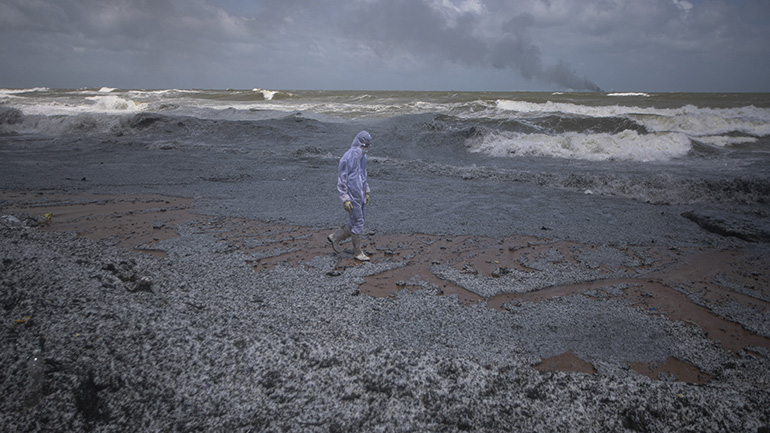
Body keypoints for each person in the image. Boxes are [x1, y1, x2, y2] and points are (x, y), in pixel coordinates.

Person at [328, 130, 372, 261]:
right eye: (364, 146)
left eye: (368, 147)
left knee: (356, 221)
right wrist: (345, 198)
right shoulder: (347, 158)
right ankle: (357, 252)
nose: (365, 149)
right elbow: (342, 179)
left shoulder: (362, 157)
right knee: (358, 222)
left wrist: (366, 191)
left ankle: (335, 237)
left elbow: (363, 175)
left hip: (360, 194)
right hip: (352, 195)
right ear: (359, 143)